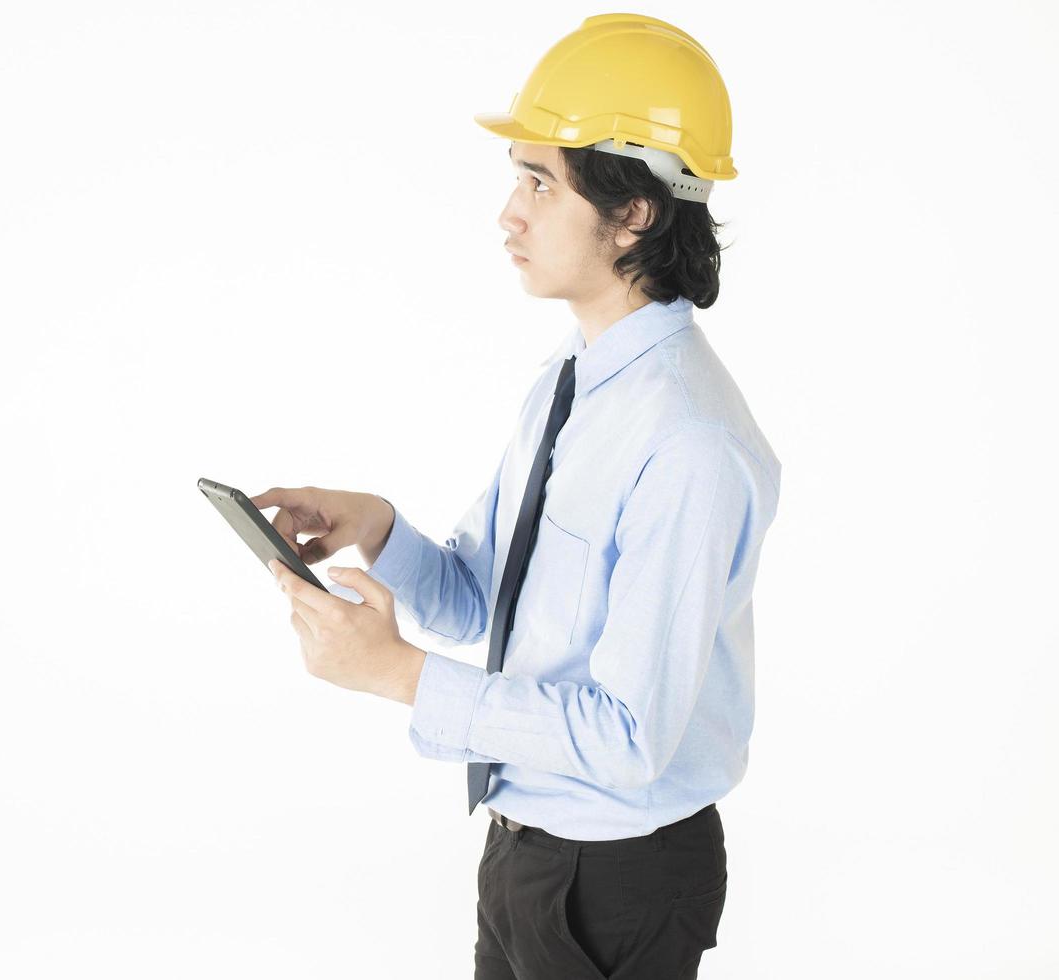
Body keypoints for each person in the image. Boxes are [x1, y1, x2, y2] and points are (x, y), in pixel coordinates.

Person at [252, 14, 779, 979]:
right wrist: (378, 528)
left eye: (540, 181)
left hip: (619, 881)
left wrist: (399, 676)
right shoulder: (570, 383)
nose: (509, 212)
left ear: (636, 214)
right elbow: (481, 601)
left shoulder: (689, 445)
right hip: (527, 850)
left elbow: (629, 740)